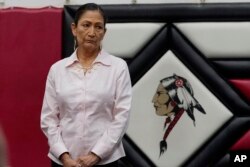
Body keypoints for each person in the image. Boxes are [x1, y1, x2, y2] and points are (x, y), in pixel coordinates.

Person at [40, 3, 132, 167]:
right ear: (74, 29)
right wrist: (64, 156)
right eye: (86, 25)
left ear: (104, 32)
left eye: (98, 27)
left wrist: (96, 155)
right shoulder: (57, 70)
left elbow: (121, 117)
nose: (92, 33)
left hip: (105, 161)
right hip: (63, 161)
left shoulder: (118, 68)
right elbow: (48, 119)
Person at [152, 74, 205, 156]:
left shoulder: (188, 136)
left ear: (175, 101)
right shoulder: (167, 122)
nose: (153, 100)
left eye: (160, 94)